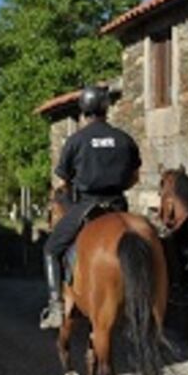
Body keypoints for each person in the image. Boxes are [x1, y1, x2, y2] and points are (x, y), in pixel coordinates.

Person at [40, 86, 142, 329]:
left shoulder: (76, 140)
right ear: (106, 108)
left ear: (84, 110)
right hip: (119, 205)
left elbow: (63, 183)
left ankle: (56, 306)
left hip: (86, 205)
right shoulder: (124, 139)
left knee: (51, 249)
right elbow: (135, 177)